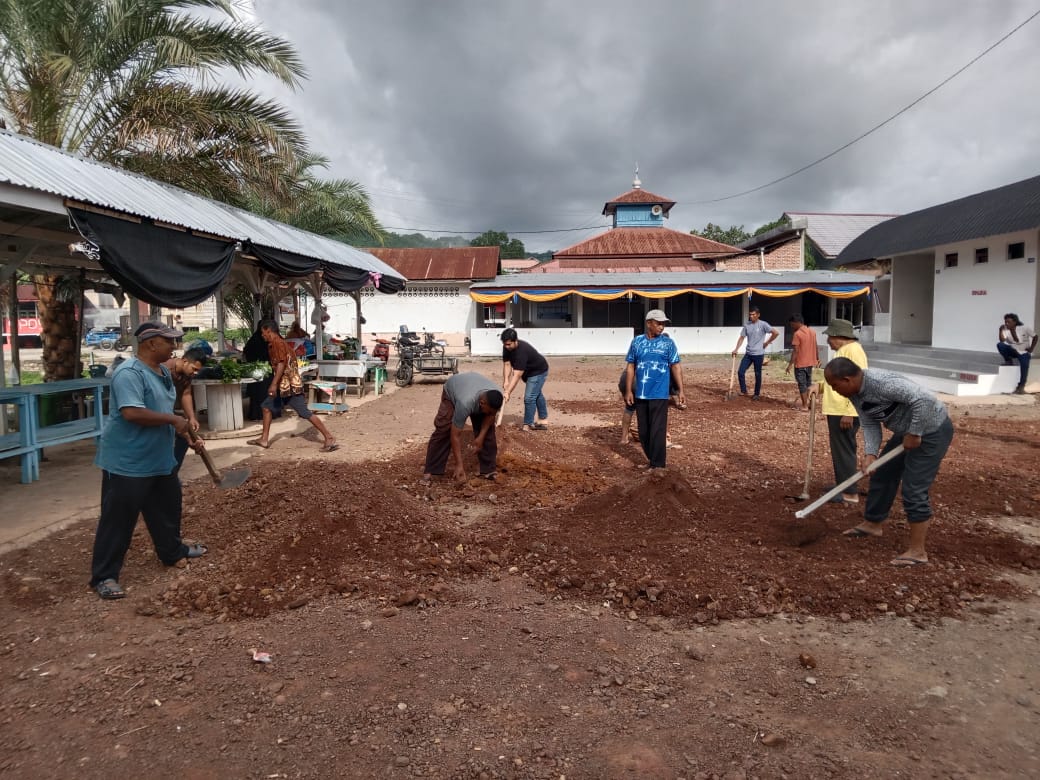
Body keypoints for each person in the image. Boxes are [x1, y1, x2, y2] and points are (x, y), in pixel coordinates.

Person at [89, 322, 207, 600]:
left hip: (159, 458)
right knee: (118, 519)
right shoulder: (128, 374)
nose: (175, 347)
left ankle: (171, 552)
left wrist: (185, 435)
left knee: (167, 508)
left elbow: (165, 408)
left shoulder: (163, 371)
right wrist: (173, 420)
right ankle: (104, 576)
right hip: (128, 462)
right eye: (169, 341)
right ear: (151, 343)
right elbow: (132, 412)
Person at [824, 357, 954, 567]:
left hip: (932, 431)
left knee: (914, 488)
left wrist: (915, 432)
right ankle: (873, 524)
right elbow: (869, 421)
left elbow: (924, 400)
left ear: (847, 379)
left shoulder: (882, 383)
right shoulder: (856, 393)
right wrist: (871, 453)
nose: (834, 390)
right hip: (906, 432)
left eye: (834, 385)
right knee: (882, 472)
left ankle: (917, 551)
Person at [248, 319, 339, 452]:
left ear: (269, 331)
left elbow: (281, 364)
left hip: (289, 385)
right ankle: (264, 439)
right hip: (283, 385)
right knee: (266, 407)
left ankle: (329, 437)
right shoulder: (274, 344)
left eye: (263, 333)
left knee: (303, 412)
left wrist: (273, 384)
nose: (262, 336)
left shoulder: (278, 343)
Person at [808, 319, 868, 505]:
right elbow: (837, 379)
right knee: (840, 449)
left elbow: (860, 383)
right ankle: (843, 485)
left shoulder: (853, 351)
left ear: (838, 336)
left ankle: (849, 493)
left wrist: (850, 411)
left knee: (844, 450)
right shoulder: (843, 351)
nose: (828, 341)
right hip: (837, 409)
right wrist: (819, 387)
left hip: (845, 411)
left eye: (829, 337)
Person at [623, 309, 685, 471]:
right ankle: (652, 460)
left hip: (659, 393)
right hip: (641, 393)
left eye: (663, 324)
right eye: (658, 323)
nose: (662, 327)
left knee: (657, 430)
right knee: (643, 432)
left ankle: (658, 466)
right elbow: (630, 366)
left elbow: (676, 366)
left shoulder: (668, 343)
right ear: (648, 323)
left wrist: (680, 390)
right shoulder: (637, 342)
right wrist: (629, 390)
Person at [421, 372, 503, 482]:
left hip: (474, 386)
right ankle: (432, 470)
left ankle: (488, 470)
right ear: (482, 403)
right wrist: (459, 465)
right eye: (488, 411)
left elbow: (490, 415)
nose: (490, 413)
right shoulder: (465, 403)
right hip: (453, 389)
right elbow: (455, 435)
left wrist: (480, 438)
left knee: (488, 431)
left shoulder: (496, 396)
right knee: (444, 429)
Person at [164, 346, 208, 471]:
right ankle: (167, 475)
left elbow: (186, 394)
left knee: (184, 436)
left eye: (198, 371)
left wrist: (191, 417)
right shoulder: (164, 370)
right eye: (194, 369)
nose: (195, 373)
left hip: (168, 410)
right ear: (184, 361)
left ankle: (173, 472)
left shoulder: (187, 374)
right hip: (157, 410)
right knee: (181, 436)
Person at [500, 328, 550, 431]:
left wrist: (508, 392)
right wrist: (506, 381)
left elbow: (517, 375)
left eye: (509, 344)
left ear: (515, 341)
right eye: (505, 344)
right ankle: (543, 419)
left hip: (538, 371)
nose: (506, 346)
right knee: (536, 393)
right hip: (528, 373)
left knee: (529, 397)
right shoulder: (506, 348)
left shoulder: (521, 351)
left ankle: (528, 424)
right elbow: (507, 364)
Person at [732, 306, 779, 400]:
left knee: (757, 374)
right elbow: (742, 338)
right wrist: (736, 349)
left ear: (758, 315)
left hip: (758, 354)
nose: (751, 316)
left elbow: (775, 333)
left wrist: (767, 342)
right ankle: (744, 391)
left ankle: (756, 394)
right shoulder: (747, 325)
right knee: (740, 372)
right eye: (750, 314)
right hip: (748, 354)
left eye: (753, 314)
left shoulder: (763, 325)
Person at [784, 313, 819, 410]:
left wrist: (790, 364)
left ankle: (804, 406)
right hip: (810, 363)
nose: (791, 327)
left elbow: (795, 351)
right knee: (809, 383)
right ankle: (811, 405)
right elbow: (816, 346)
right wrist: (817, 358)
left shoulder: (797, 334)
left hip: (800, 363)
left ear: (796, 323)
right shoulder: (812, 332)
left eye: (792, 324)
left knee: (802, 384)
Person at [997, 312, 1036, 394]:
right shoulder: (1006, 330)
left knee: (1024, 366)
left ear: (1015, 322)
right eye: (1005, 322)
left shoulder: (1024, 328)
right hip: (1013, 351)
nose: (1006, 324)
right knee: (1000, 345)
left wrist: (1032, 348)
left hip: (1023, 352)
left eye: (1009, 322)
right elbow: (1002, 340)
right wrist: (1000, 330)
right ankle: (1008, 360)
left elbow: (1035, 337)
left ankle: (1021, 386)